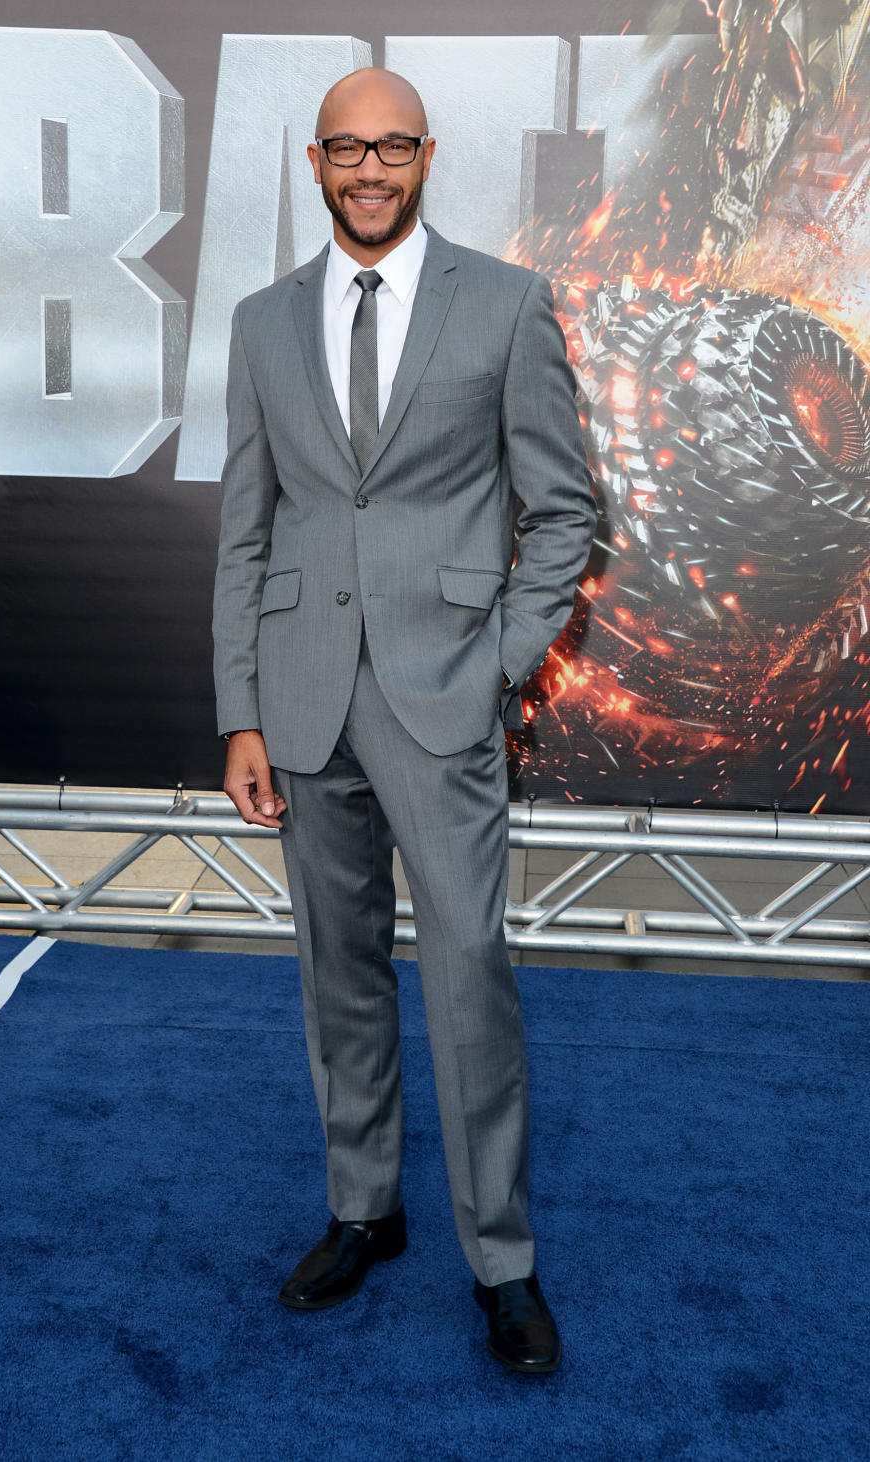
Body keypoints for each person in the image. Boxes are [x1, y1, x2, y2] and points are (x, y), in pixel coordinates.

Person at [213, 67, 595, 1375]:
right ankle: (363, 1210)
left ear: (424, 155)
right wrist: (239, 712)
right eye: (345, 149)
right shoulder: (263, 323)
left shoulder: (505, 302)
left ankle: (504, 1260)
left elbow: (566, 513)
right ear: (316, 163)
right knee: (339, 975)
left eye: (391, 147)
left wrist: (496, 662)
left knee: (471, 975)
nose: (368, 170)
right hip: (302, 695)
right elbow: (244, 533)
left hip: (446, 695)